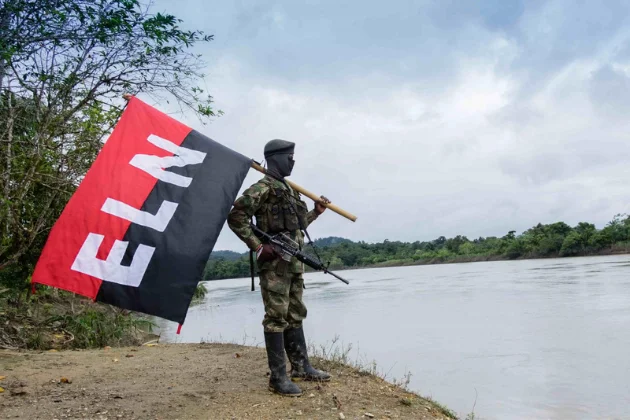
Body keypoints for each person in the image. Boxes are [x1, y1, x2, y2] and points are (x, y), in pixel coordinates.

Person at [227, 139, 331, 397]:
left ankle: (301, 366)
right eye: (290, 157)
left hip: (294, 262)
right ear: (275, 158)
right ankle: (278, 378)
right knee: (276, 318)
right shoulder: (262, 188)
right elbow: (235, 217)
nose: (293, 161)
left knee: (296, 313)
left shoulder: (290, 189)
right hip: (274, 265)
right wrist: (258, 246)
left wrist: (316, 212)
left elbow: (295, 226)